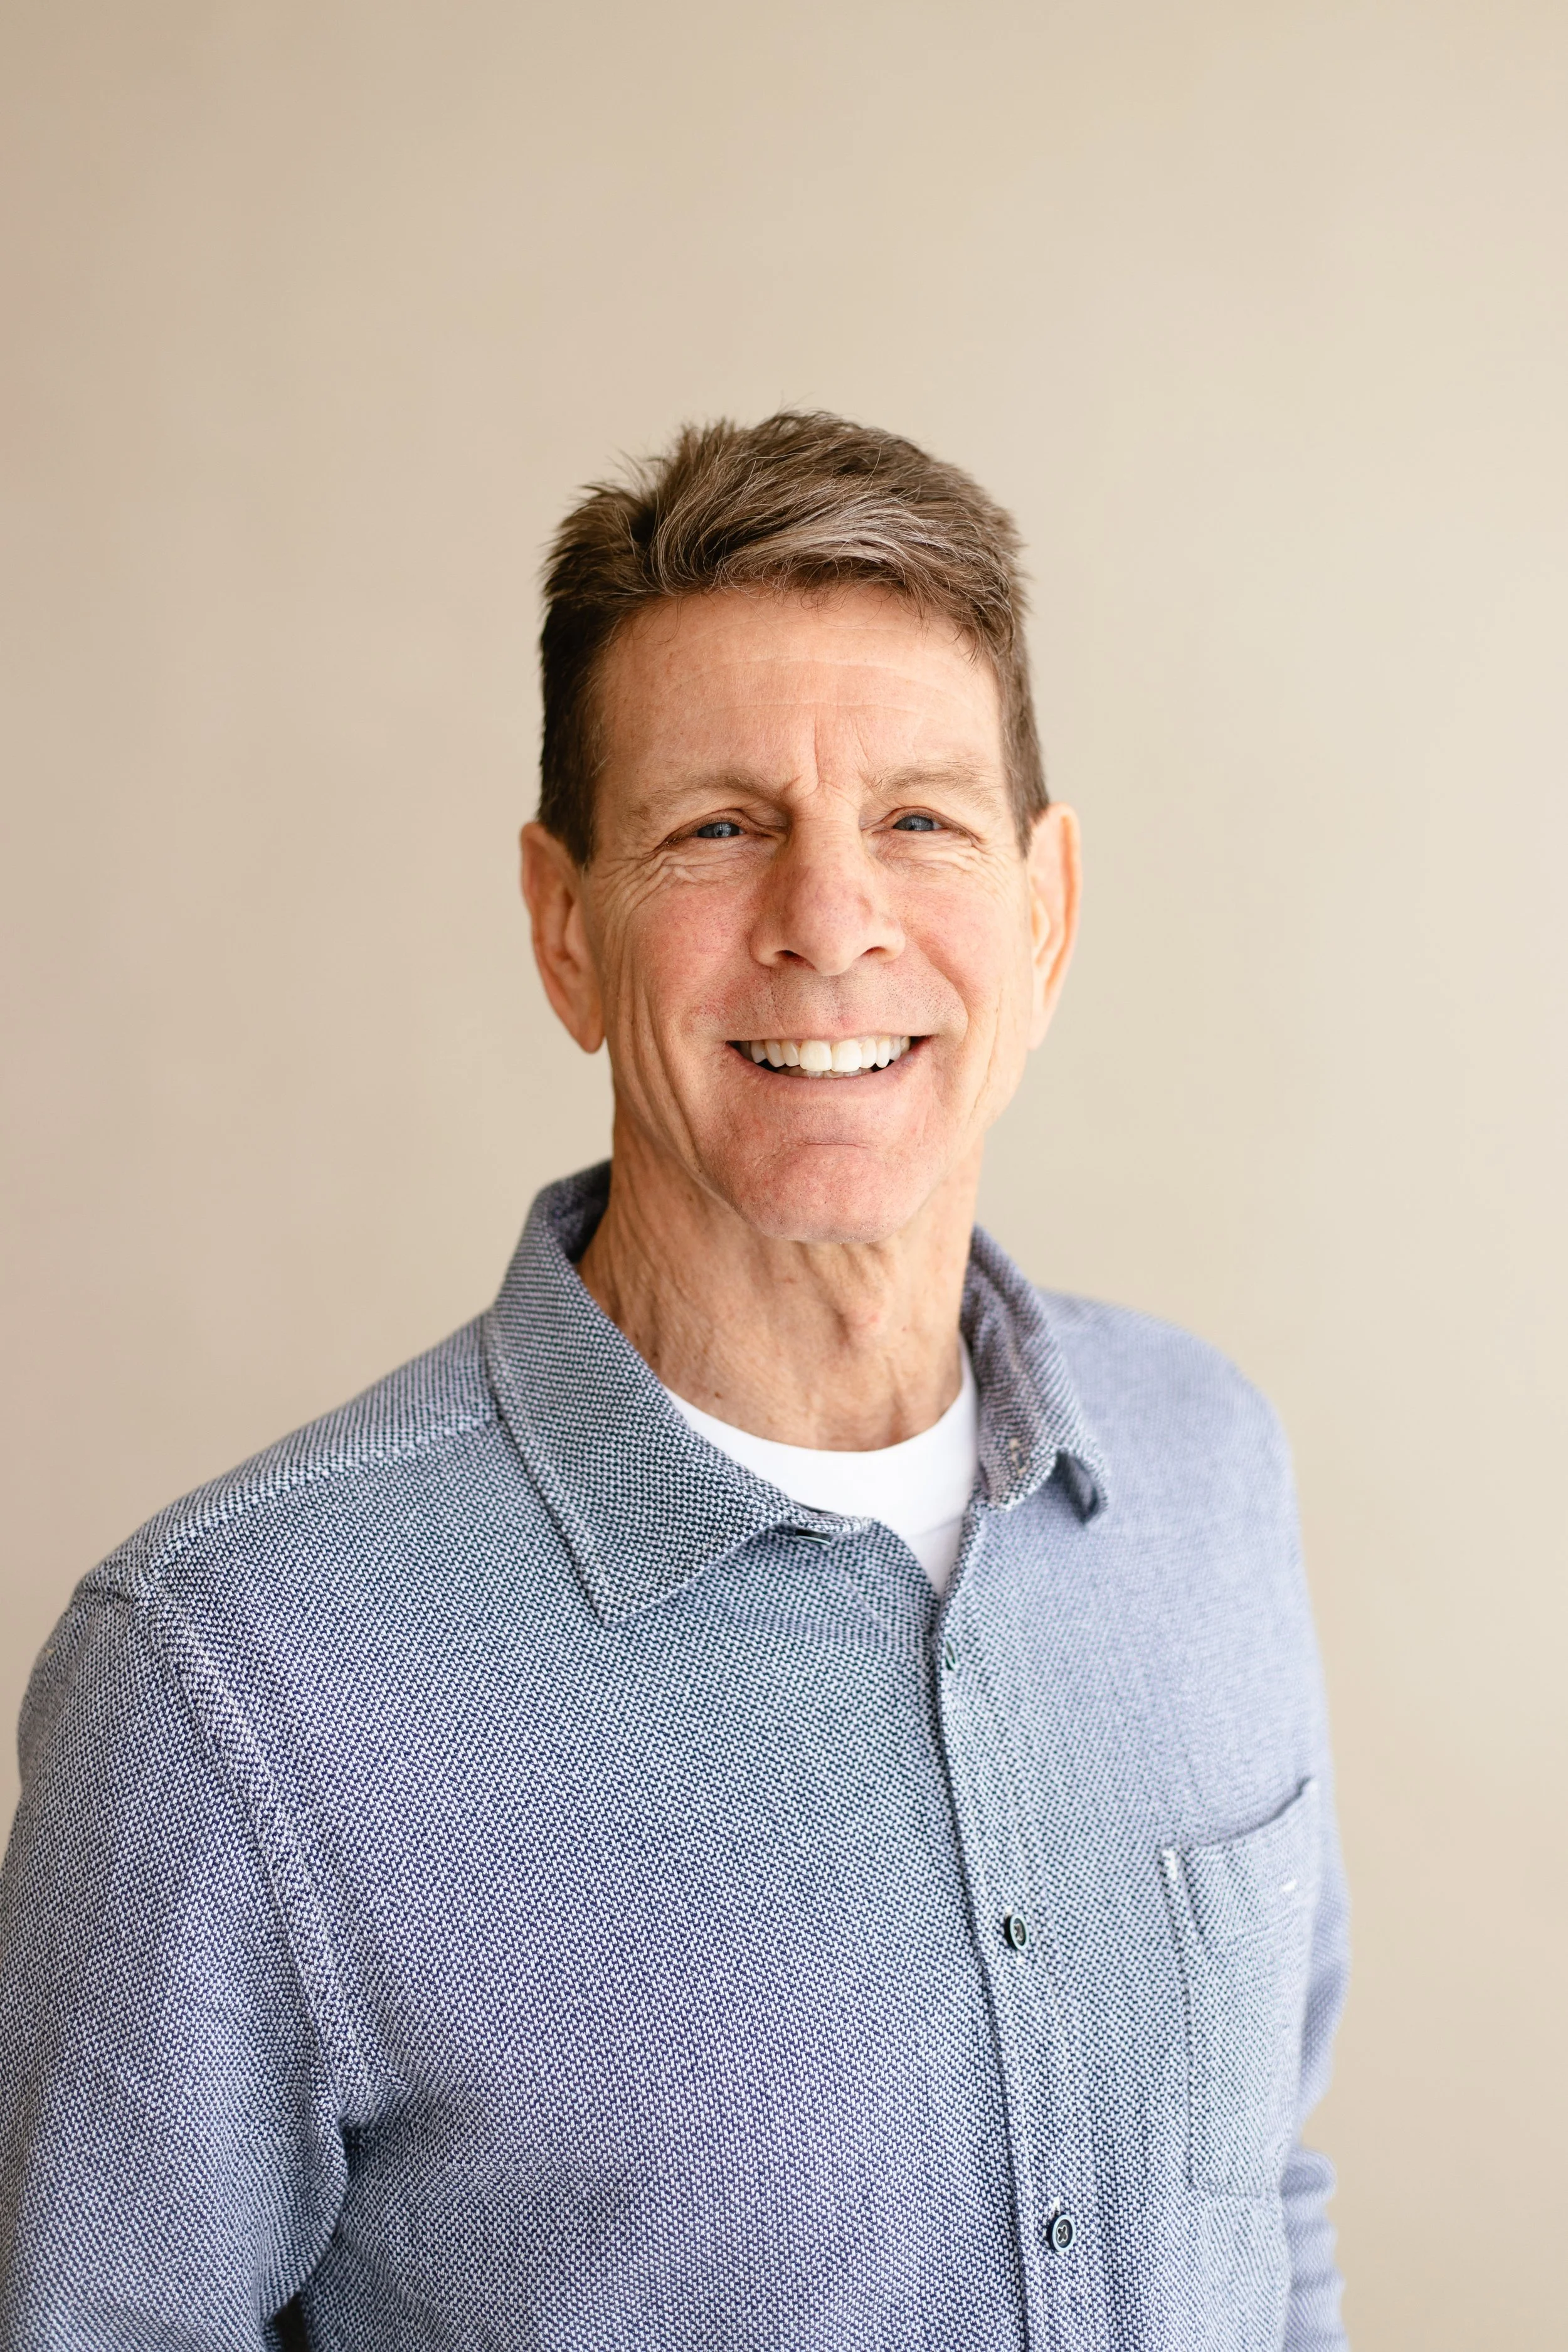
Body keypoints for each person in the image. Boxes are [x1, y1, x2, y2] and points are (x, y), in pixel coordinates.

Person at [0, 412, 1348, 2351]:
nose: (828, 918)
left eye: (919, 820)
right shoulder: (223, 1681)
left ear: (1043, 911)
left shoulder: (1208, 1469)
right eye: (718, 825)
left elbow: (1267, 2194)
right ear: (565, 926)